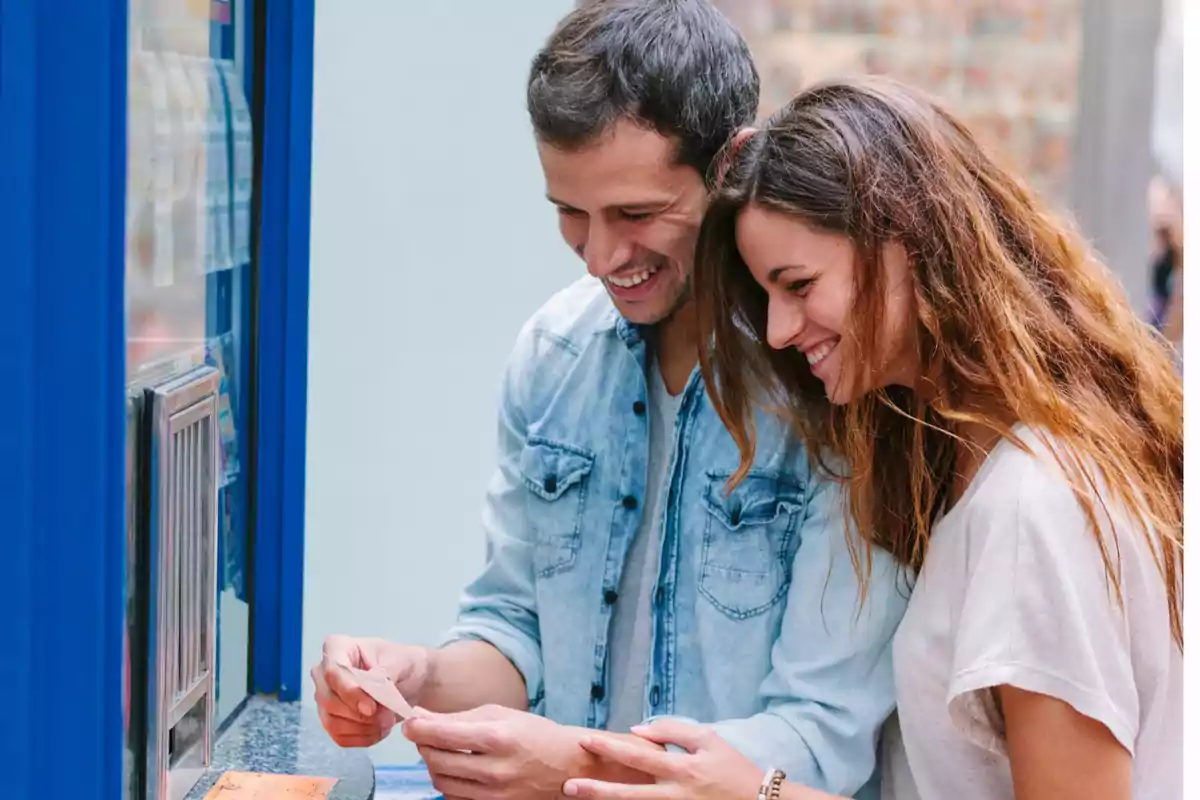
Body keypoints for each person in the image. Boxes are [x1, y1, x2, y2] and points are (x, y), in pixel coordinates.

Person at [310, 3, 908, 800]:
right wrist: (414, 677)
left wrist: (577, 765)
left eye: (637, 215)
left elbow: (819, 736)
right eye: (570, 214)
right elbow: (515, 632)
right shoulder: (553, 356)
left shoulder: (833, 382)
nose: (600, 256)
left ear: (729, 167)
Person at [561, 77, 1183, 800]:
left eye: (798, 285)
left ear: (909, 245)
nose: (779, 331)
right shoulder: (971, 461)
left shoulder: (1031, 508)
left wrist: (759, 793)